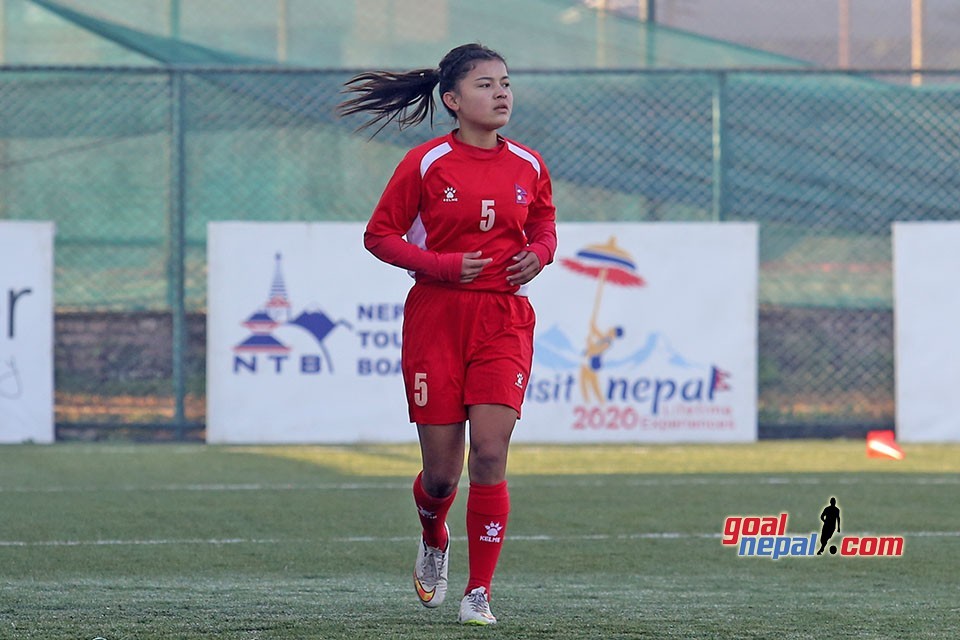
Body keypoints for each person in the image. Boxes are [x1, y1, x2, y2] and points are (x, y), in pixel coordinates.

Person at [337, 43, 558, 625]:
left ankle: (478, 593)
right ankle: (434, 531)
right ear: (453, 100)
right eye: (485, 85)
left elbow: (543, 224)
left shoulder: (529, 164)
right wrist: (440, 265)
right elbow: (380, 236)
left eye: (505, 83)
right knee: (442, 474)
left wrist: (540, 254)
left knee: (490, 451)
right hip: (437, 317)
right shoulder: (426, 162)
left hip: (504, 319)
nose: (501, 93)